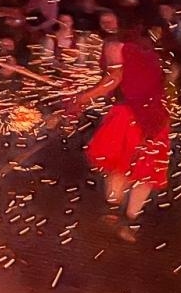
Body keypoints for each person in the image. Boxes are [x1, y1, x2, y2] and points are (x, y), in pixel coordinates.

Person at [69, 27, 172, 242]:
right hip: (156, 116)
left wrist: (83, 98)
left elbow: (114, 78)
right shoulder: (144, 53)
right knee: (144, 169)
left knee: (120, 163)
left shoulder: (117, 47)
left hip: (133, 115)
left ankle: (115, 214)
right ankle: (127, 220)